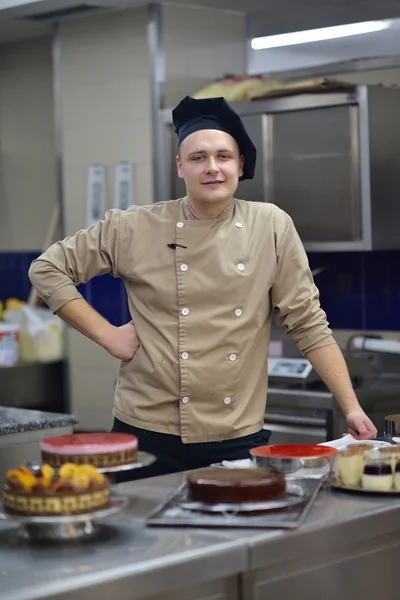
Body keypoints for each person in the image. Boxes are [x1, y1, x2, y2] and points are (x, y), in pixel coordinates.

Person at [29, 95, 377, 481]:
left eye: (223, 156)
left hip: (235, 433)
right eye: (197, 158)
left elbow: (308, 323)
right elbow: (47, 270)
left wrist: (351, 408)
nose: (212, 168)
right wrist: (109, 336)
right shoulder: (133, 227)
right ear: (180, 166)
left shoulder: (271, 226)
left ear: (240, 164)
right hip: (145, 432)